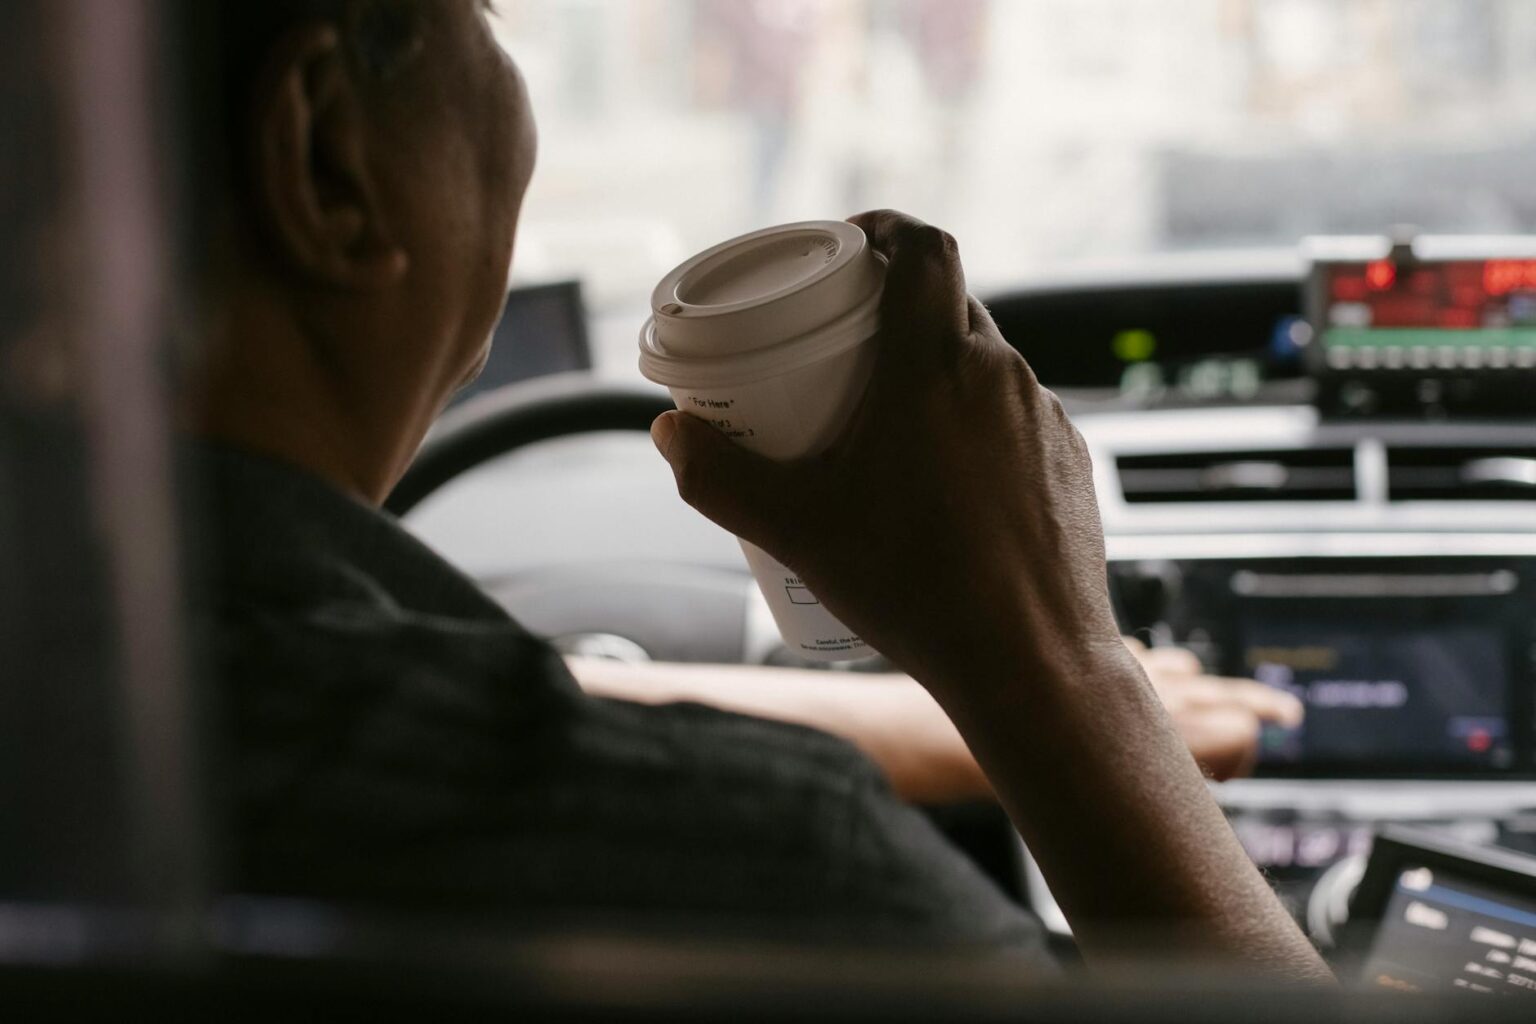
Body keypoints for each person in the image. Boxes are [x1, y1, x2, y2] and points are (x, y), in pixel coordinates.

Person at [182, 0, 1329, 982]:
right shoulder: (783, 882)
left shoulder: (121, 699)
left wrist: (918, 723)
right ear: (327, 156)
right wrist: (1061, 667)